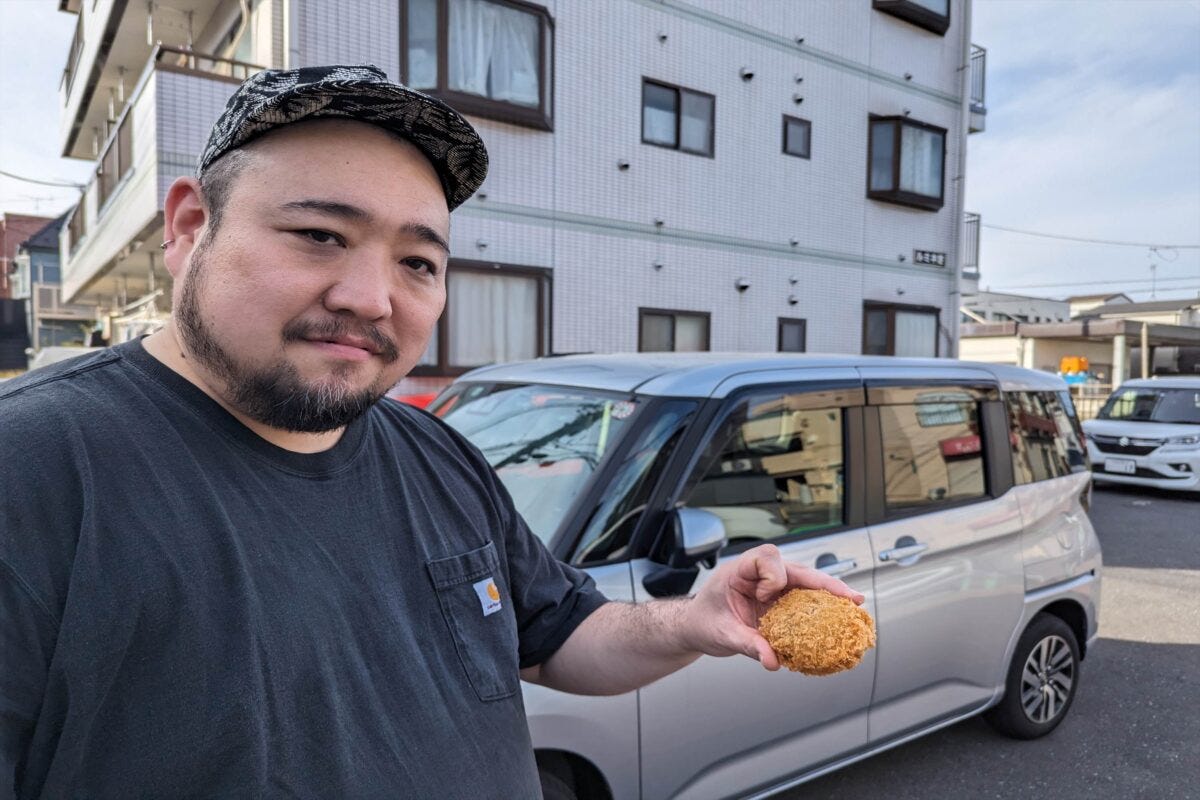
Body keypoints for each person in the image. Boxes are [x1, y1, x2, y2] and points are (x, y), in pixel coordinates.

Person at [0, 65, 863, 799]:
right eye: (319, 235)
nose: (370, 299)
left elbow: (559, 637)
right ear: (191, 227)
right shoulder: (35, 470)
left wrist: (692, 621)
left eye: (417, 262)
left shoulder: (433, 450)